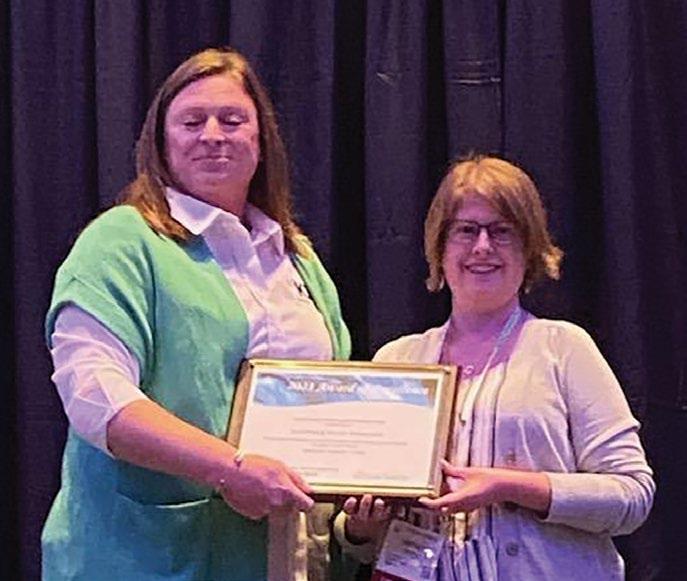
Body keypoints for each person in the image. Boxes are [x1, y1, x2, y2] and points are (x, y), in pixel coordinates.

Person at [42, 47, 350, 580]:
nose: (212, 135)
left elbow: (339, 391)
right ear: (161, 141)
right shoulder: (119, 243)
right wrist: (230, 469)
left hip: (281, 558)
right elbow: (96, 399)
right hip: (144, 559)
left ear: (261, 140)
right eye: (191, 121)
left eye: (232, 120)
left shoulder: (297, 257)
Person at [335, 155, 655, 579]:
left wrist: (512, 486)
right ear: (439, 247)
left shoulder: (564, 348)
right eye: (466, 230)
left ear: (530, 248)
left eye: (502, 232)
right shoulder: (397, 360)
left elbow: (632, 495)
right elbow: (358, 536)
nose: (483, 246)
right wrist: (360, 525)